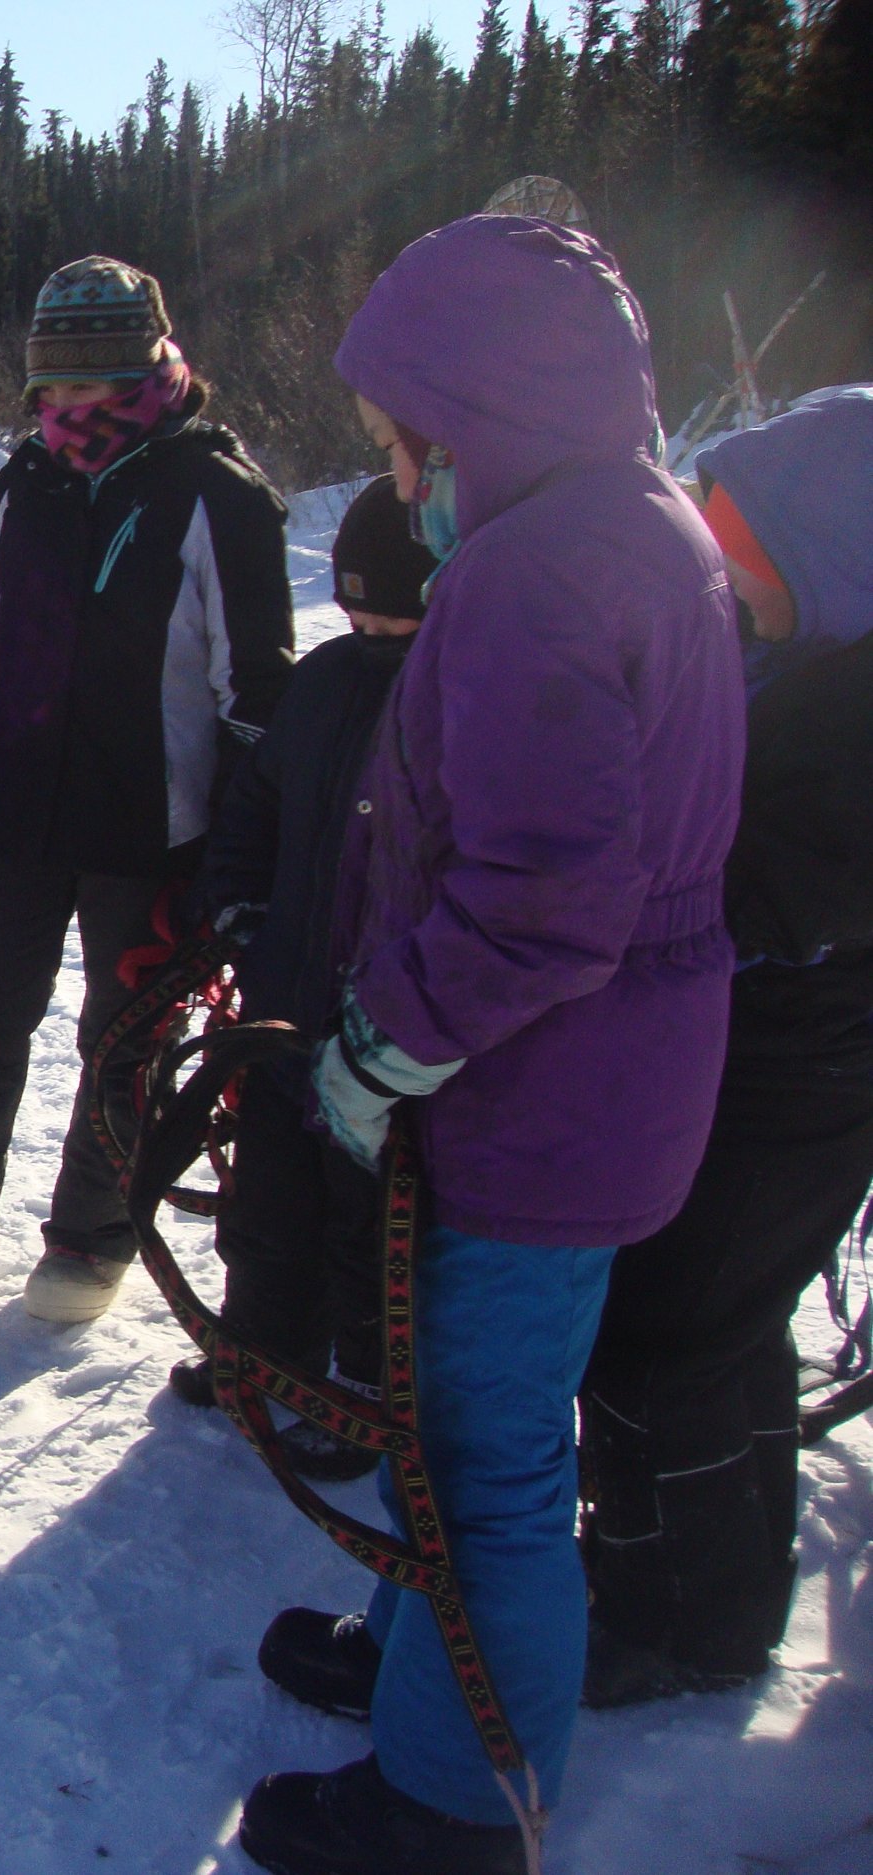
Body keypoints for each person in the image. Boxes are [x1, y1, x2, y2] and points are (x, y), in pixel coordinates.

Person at [239, 216, 745, 1875]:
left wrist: (387, 1047)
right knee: (461, 1434)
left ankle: (451, 1806)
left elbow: (544, 901)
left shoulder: (540, 572)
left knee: (481, 1464)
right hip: (587, 1090)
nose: (399, 474)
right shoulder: (636, 523)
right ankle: (421, 1665)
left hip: (534, 1100)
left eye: (408, 438)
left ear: (478, 416)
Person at [0, 254, 295, 1317]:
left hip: (154, 829)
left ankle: (92, 1241)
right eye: (50, 387)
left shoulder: (218, 495)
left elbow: (255, 691)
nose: (66, 406)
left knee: (126, 1039)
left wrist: (232, 851)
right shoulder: (26, 479)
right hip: (16, 807)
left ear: (144, 367)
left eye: (88, 384)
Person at [579, 384, 873, 1707]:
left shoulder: (849, 719)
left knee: (666, 1331)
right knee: (725, 1324)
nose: (716, 555)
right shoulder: (794, 665)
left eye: (744, 540)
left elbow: (768, 894)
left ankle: (678, 1614)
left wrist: (622, 899)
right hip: (764, 1062)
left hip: (802, 1074)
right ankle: (732, 1580)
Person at [173, 475, 443, 1481]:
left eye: (395, 612)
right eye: (356, 603)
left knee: (366, 1228)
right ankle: (258, 1357)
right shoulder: (324, 681)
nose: (369, 624)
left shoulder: (464, 697)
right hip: (286, 1000)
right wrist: (236, 907)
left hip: (386, 1031)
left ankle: (358, 1396)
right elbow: (254, 807)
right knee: (267, 1202)